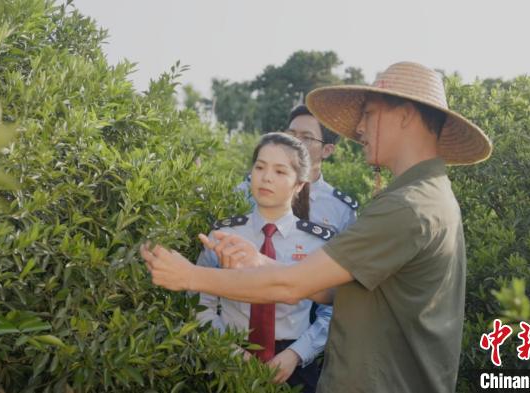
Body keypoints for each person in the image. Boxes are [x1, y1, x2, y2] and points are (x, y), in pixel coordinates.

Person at [142, 62, 492, 392]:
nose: (359, 128)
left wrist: (188, 276)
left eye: (368, 115)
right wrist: (260, 264)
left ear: (404, 115)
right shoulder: (425, 195)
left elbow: (292, 285)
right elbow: (346, 293)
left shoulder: (408, 206)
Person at [197, 132, 333, 392]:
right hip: (228, 356)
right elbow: (200, 303)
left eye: (280, 171)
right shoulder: (225, 234)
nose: (266, 177)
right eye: (260, 167)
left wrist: (296, 354)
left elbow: (331, 311)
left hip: (293, 364)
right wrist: (230, 352)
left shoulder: (318, 243)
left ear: (299, 184)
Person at [237, 105, 358, 233]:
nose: (294, 143)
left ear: (327, 150)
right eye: (290, 135)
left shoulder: (340, 209)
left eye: (306, 138)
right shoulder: (248, 190)